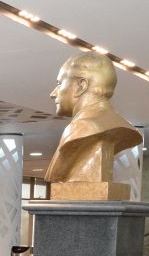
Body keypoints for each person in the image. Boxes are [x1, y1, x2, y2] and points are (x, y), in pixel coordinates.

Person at [46, 51, 142, 185]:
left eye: (59, 83)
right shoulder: (111, 124)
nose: (53, 93)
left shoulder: (83, 127)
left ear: (81, 86)